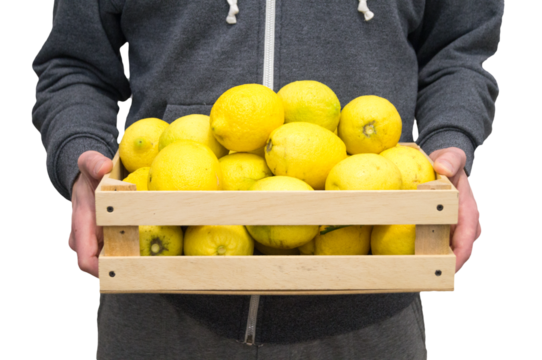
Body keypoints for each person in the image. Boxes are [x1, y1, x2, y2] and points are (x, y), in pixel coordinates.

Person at [31, 1, 504, 358]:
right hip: (158, 305)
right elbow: (75, 65)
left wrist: (452, 143)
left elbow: (458, 51)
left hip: (369, 309)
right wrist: (80, 159)